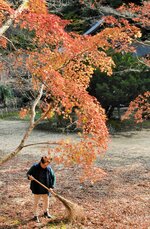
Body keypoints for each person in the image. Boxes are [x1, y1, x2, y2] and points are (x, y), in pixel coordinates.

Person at [27, 155, 56, 223]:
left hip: (46, 189)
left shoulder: (49, 168)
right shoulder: (35, 167)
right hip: (37, 188)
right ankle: (35, 215)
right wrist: (30, 177)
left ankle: (46, 212)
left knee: (46, 202)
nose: (45, 166)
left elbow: (53, 177)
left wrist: (52, 187)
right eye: (44, 165)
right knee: (36, 203)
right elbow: (28, 174)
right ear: (41, 163)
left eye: (47, 165)